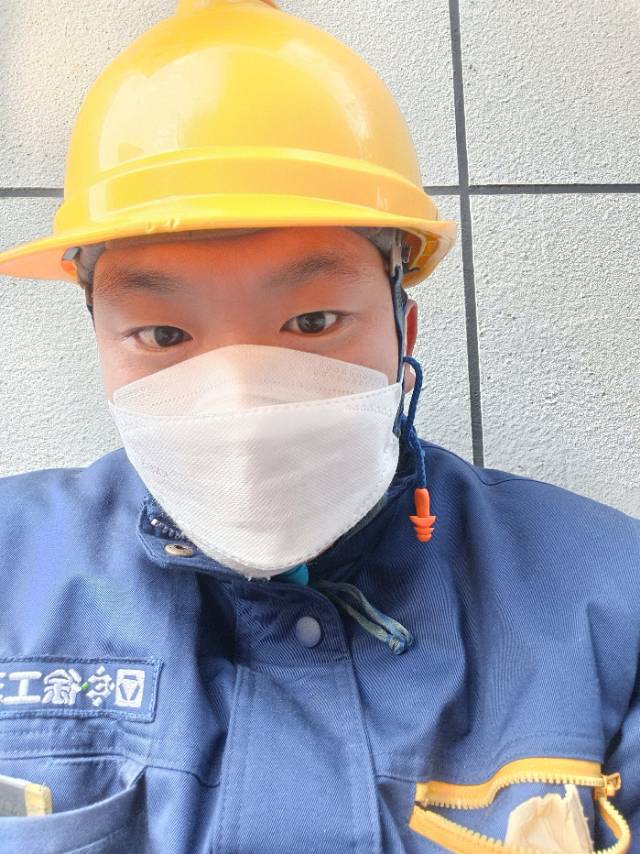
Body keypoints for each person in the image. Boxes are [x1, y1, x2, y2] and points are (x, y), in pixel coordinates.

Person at [0, 1, 637, 852]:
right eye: (164, 335)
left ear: (405, 330)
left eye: (311, 322)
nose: (240, 404)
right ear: (100, 344)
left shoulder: (612, 604)